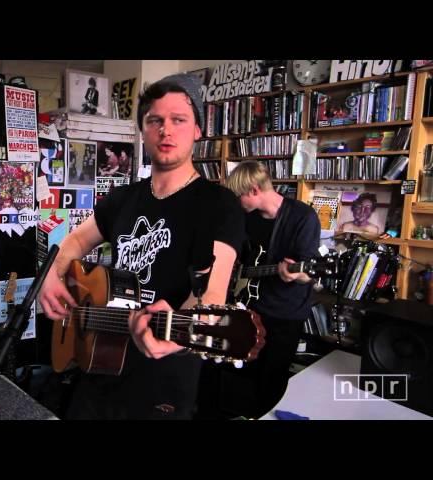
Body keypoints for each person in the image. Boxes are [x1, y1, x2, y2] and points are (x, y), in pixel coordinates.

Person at [38, 73, 246, 420]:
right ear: (144, 130)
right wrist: (51, 275)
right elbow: (74, 241)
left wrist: (179, 331)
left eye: (179, 120)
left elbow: (209, 295)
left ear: (197, 129)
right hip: (98, 361)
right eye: (155, 121)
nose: (166, 130)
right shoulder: (123, 199)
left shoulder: (218, 204)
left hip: (163, 376)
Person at [225, 160, 320, 418]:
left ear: (254, 190)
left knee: (272, 378)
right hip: (248, 306)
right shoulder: (247, 218)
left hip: (284, 313)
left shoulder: (303, 217)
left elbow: (307, 273)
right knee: (240, 371)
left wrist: (297, 274)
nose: (237, 202)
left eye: (239, 195)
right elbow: (238, 253)